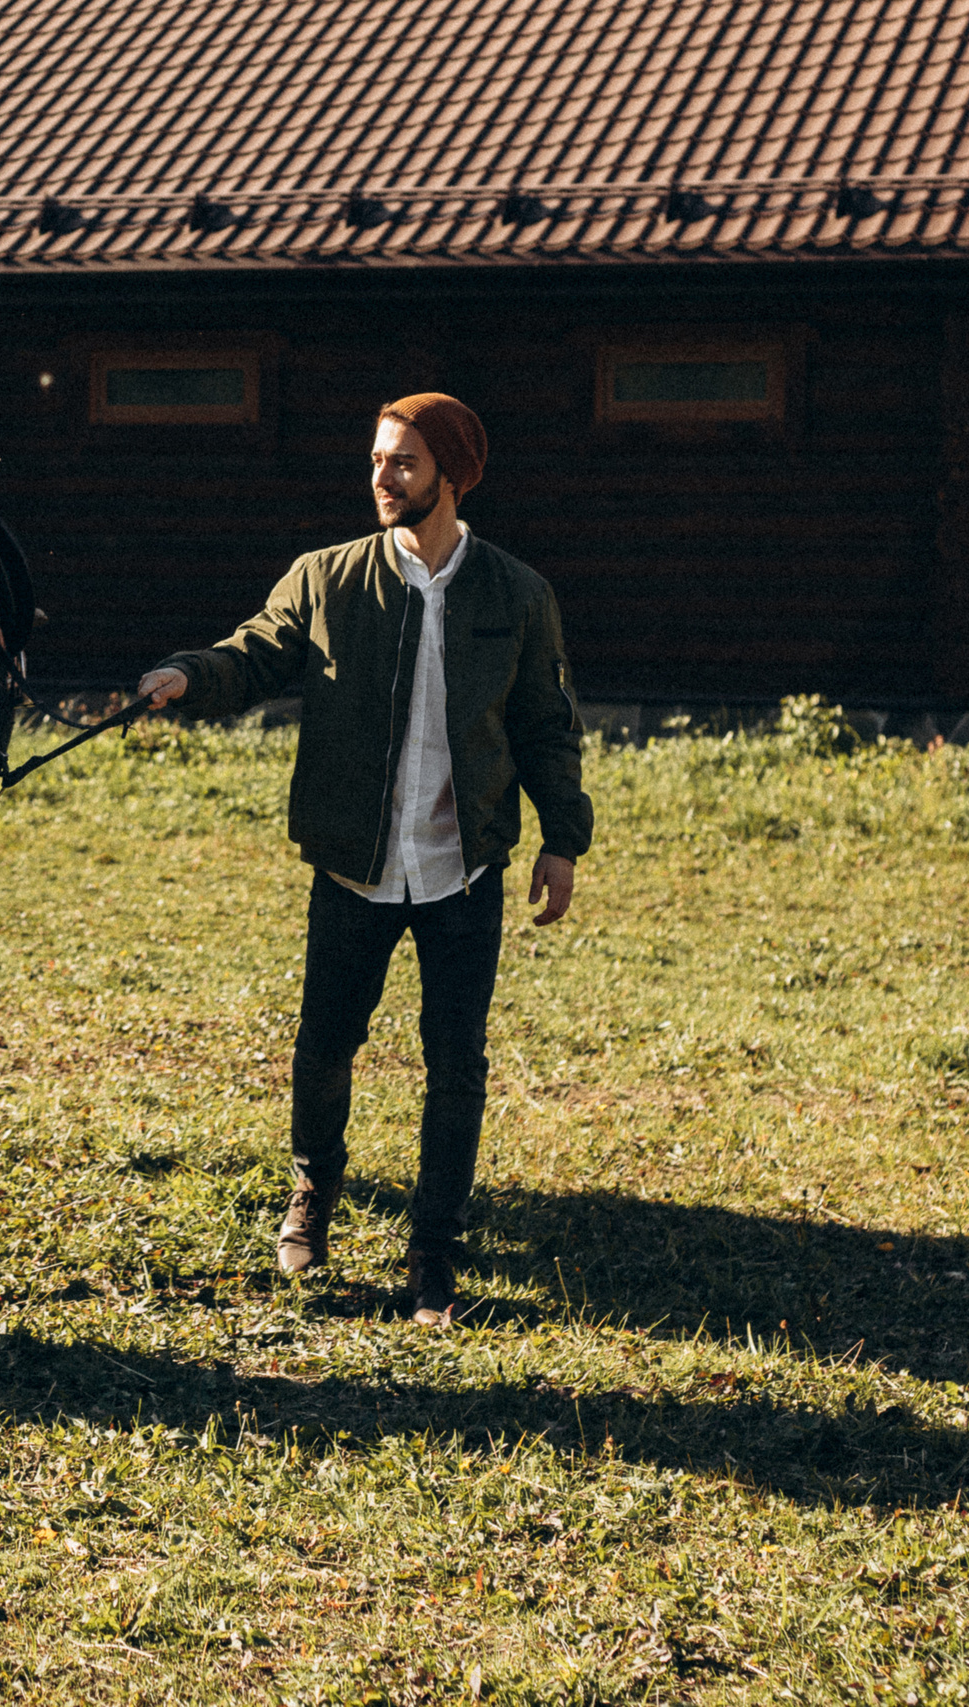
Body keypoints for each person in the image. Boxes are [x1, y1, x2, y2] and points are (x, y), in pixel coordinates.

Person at [136, 394, 593, 1326]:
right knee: (325, 1047)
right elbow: (255, 652)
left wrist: (561, 839)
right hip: (355, 866)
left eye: (405, 463)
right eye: (379, 460)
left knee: (455, 1063)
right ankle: (312, 1194)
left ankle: (435, 1250)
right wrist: (190, 672)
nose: (383, 478)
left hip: (464, 870)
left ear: (452, 475)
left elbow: (547, 726)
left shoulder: (517, 593)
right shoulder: (328, 577)